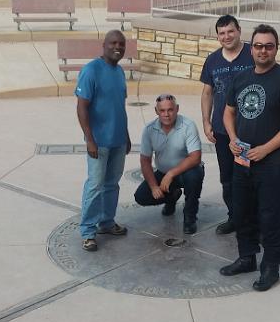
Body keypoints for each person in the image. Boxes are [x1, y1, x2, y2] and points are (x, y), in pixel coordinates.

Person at [219, 24, 280, 292]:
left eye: (268, 46)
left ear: (276, 49)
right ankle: (247, 258)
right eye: (258, 46)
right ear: (251, 48)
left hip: (271, 163)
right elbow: (228, 112)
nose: (263, 51)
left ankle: (271, 266)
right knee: (242, 212)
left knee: (269, 215)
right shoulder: (241, 78)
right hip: (242, 160)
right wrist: (232, 138)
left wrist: (266, 149)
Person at [75, 30, 132, 252]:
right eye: (113, 43)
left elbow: (120, 106)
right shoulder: (91, 70)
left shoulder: (119, 72)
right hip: (98, 142)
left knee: (112, 184)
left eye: (121, 44)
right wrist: (90, 139)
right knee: (95, 185)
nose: (117, 47)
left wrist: (126, 135)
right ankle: (88, 232)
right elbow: (82, 107)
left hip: (118, 140)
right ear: (104, 45)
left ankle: (106, 222)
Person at [200, 15, 254, 235]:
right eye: (222, 33)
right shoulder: (212, 60)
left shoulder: (252, 54)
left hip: (250, 130)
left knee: (251, 177)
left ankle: (254, 221)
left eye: (230, 31)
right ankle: (235, 218)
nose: (227, 36)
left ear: (239, 30)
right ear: (217, 36)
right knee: (228, 179)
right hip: (222, 132)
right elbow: (207, 93)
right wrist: (206, 121)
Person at [134, 94, 204, 234]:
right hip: (162, 173)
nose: (166, 114)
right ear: (156, 111)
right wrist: (154, 187)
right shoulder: (149, 130)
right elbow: (145, 161)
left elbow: (195, 157)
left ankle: (190, 217)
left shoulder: (188, 125)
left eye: (170, 110)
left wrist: (171, 174)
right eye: (162, 110)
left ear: (177, 109)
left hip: (186, 171)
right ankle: (172, 196)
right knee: (141, 196)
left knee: (194, 176)